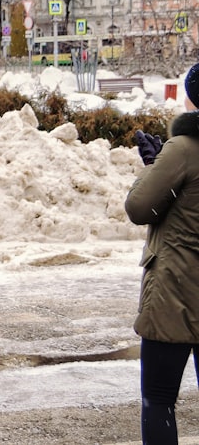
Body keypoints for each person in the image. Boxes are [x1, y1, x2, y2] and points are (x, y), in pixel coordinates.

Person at [125, 62, 199, 444]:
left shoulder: (184, 149)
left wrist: (153, 168)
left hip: (176, 293)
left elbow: (139, 207)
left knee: (159, 400)